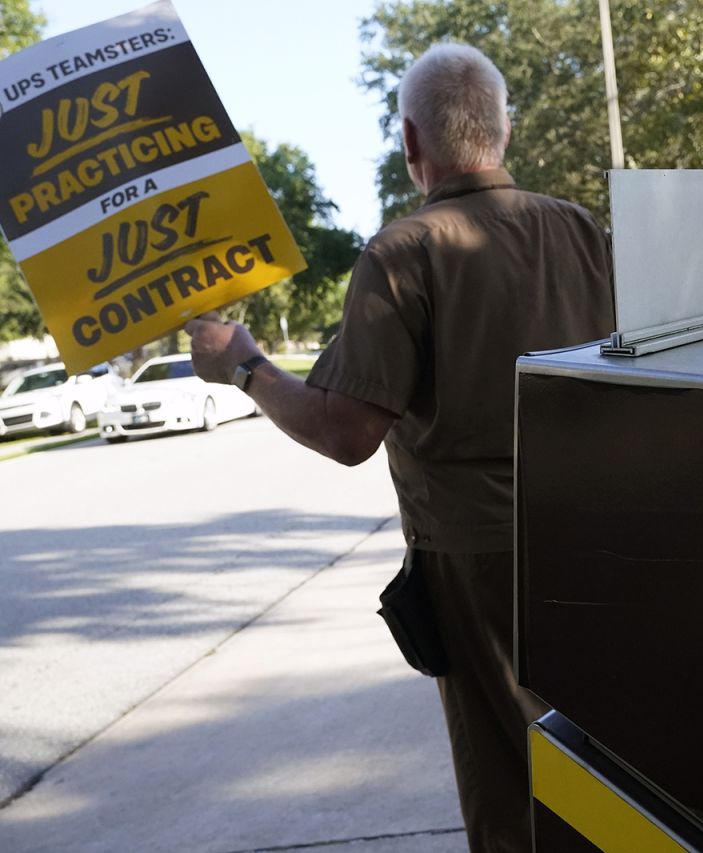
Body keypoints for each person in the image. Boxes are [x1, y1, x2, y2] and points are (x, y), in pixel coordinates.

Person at [185, 43, 614, 852]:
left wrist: (244, 366)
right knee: (595, 760)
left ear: (411, 144)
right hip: (590, 533)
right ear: (505, 131)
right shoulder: (580, 230)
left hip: (477, 559)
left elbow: (346, 431)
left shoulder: (404, 251)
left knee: (509, 781)